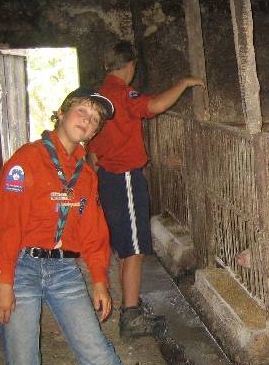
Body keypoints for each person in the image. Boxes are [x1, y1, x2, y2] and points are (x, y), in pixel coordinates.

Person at [0, 88, 160, 365]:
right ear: (63, 114)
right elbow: (5, 223)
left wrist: (99, 279)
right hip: (22, 268)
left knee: (96, 351)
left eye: (95, 120)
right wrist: (3, 282)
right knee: (22, 359)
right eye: (82, 111)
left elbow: (93, 231)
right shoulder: (26, 160)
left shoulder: (86, 175)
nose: (88, 120)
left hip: (65, 270)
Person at [87, 40, 204, 338]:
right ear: (130, 66)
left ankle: (130, 308)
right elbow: (155, 106)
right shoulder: (121, 94)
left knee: (126, 249)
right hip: (124, 177)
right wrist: (184, 83)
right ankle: (131, 316)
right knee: (135, 250)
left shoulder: (97, 96)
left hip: (108, 177)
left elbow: (93, 152)